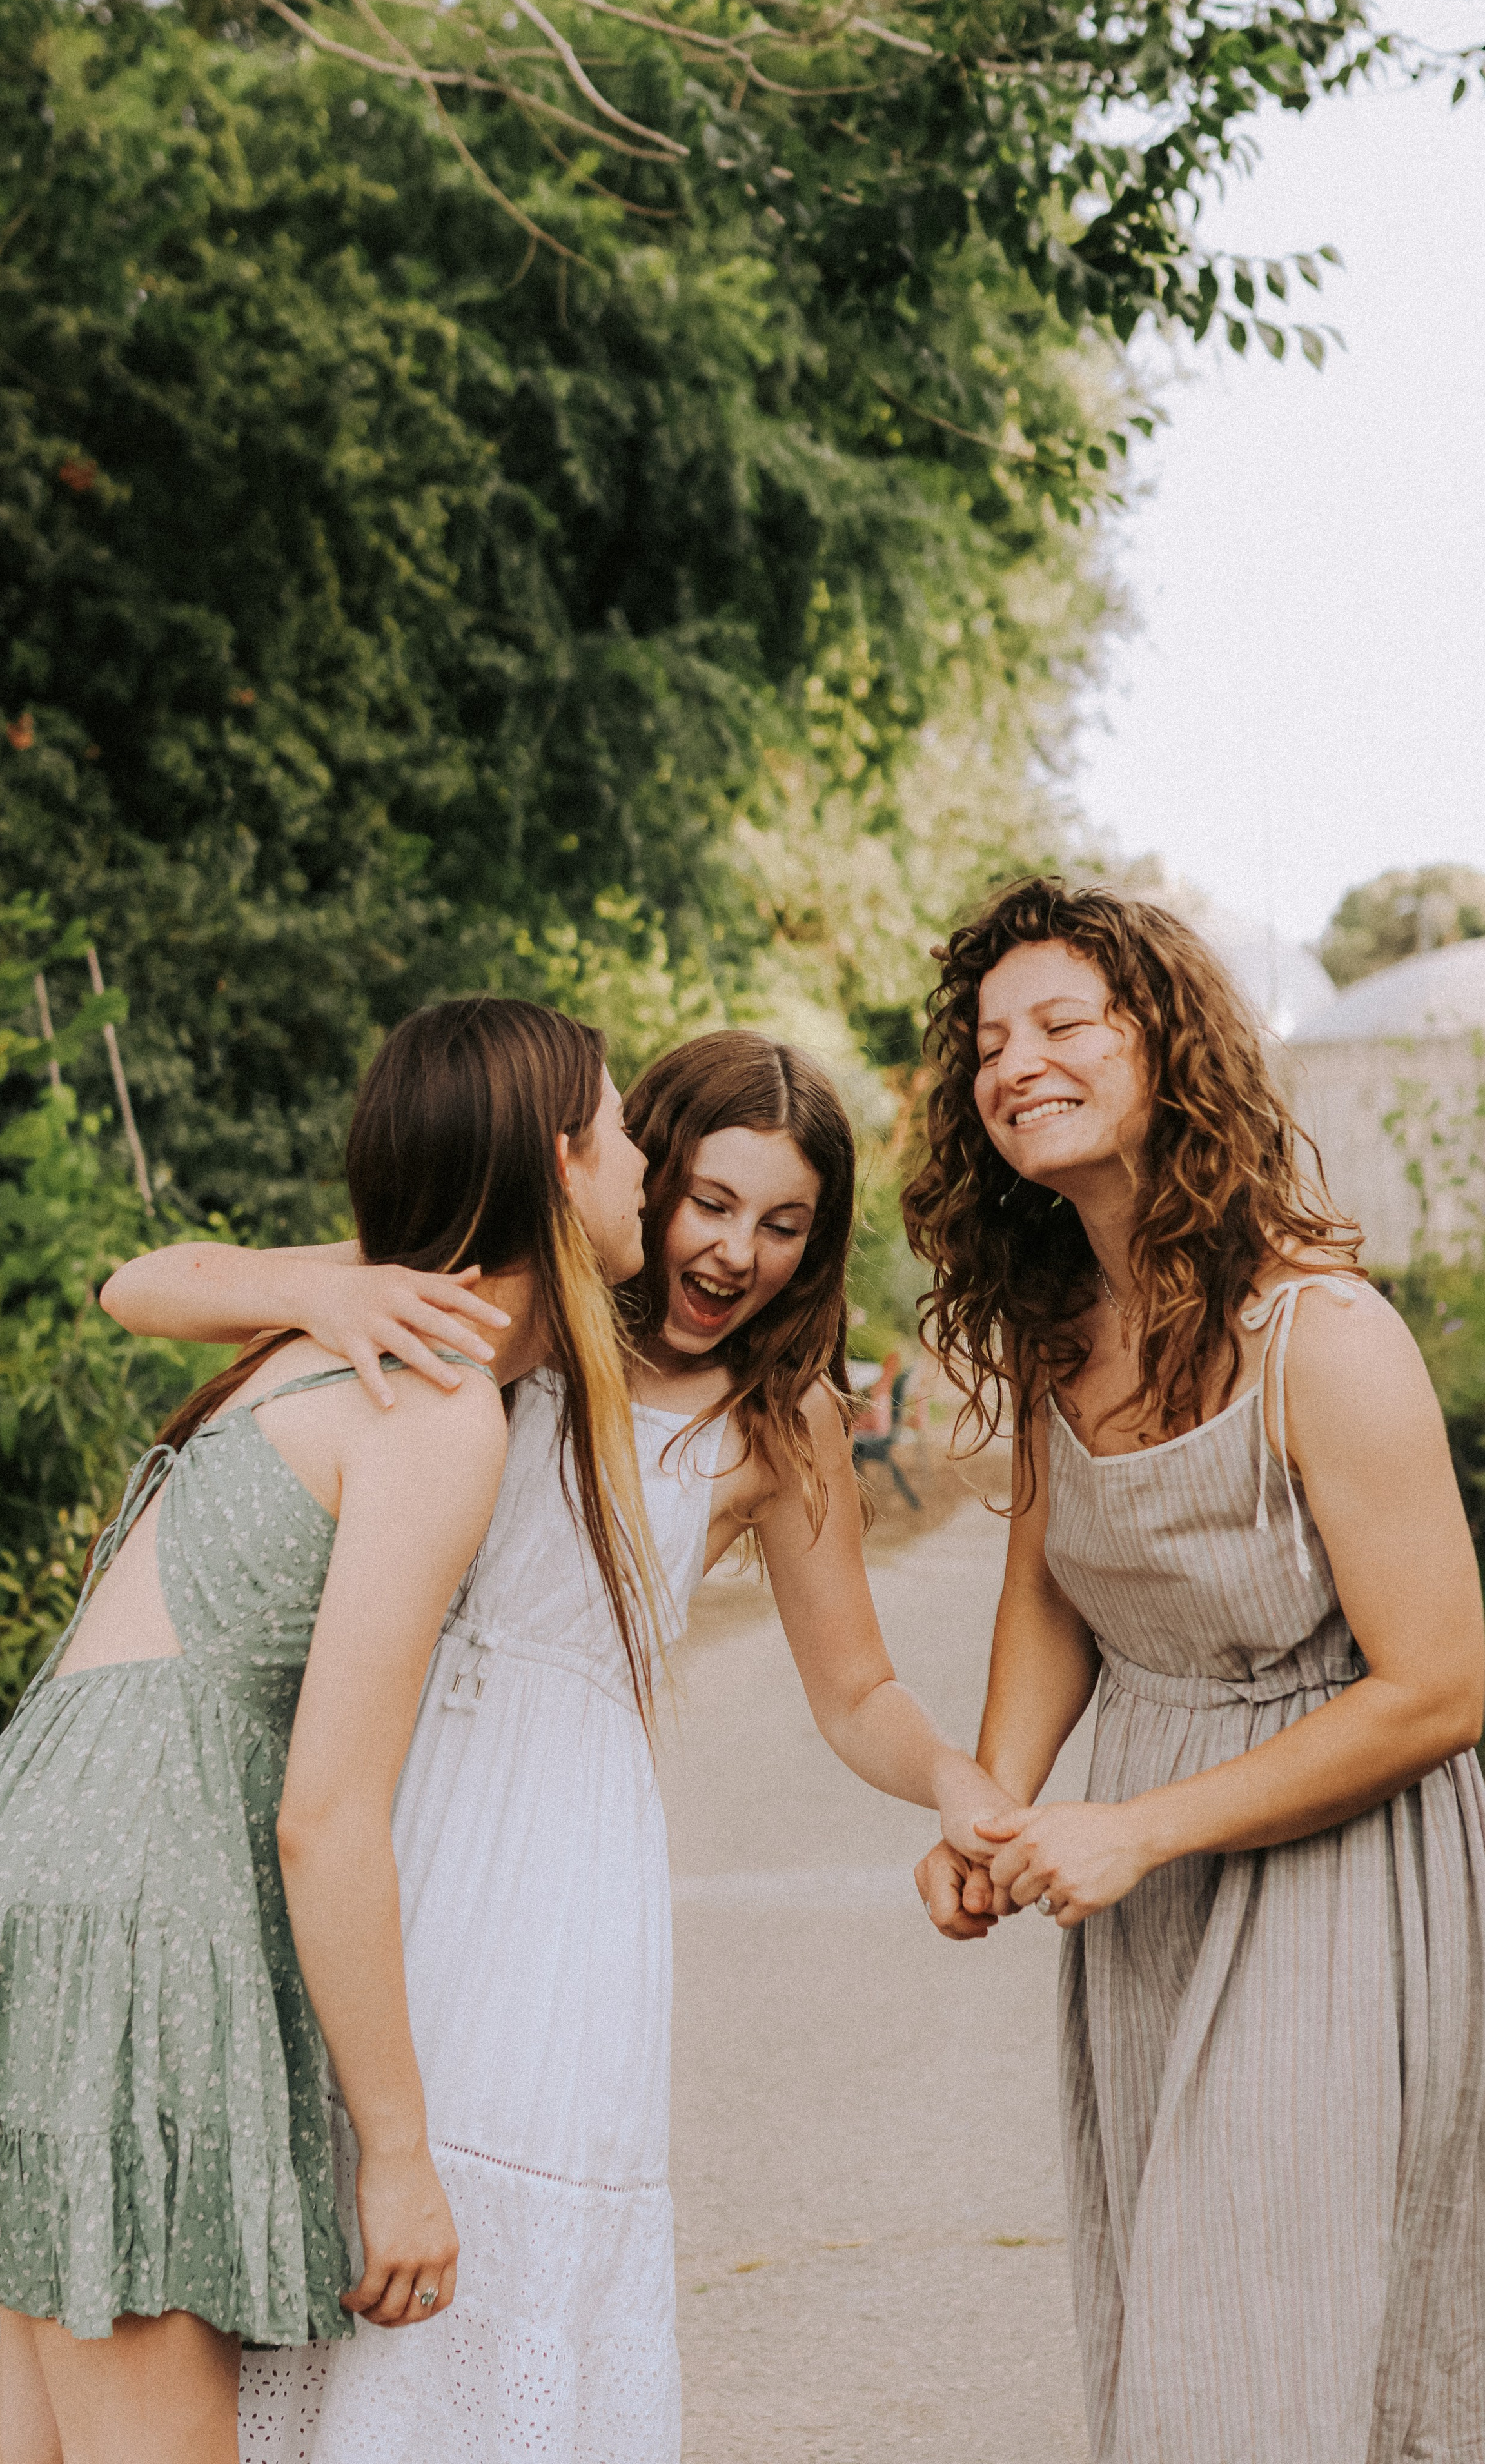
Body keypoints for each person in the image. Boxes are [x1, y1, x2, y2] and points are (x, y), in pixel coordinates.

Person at [109, 1023, 1010, 2463]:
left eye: (784, 1225)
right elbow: (142, 1284)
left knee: (486, 2272)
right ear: (633, 1172)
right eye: (710, 1202)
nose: (737, 1254)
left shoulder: (780, 1426)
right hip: (371, 1819)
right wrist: (327, 1292)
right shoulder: (495, 1313)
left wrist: (955, 1779)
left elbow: (855, 1694)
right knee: (327, 2224)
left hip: (557, 1887)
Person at [0, 996, 651, 2464]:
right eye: (623, 1127)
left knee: (55, 2440)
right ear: (558, 1162)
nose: (647, 1157)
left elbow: (147, 1280)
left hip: (41, 1866)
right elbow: (323, 1814)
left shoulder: (357, 1332)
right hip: (145, 1902)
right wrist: (398, 2158)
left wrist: (334, 1287)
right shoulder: (433, 1394)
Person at [907, 878, 1485, 2464]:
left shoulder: (1323, 1334)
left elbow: (1439, 1688)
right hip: (1146, 1887)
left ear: (1164, 1045)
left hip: (1334, 1870)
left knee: (1268, 2343)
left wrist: (1137, 1828)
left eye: (1056, 1023)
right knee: (1181, 2314)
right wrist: (994, 1806)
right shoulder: (1057, 1334)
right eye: (984, 1041)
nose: (1008, 1060)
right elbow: (1048, 1594)